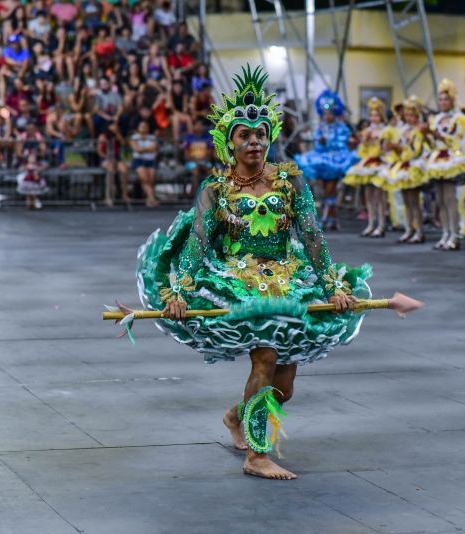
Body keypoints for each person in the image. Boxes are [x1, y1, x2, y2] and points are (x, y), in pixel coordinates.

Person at [134, 64, 420, 480]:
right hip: (239, 282)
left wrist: (333, 285)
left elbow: (313, 236)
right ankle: (256, 455)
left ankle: (236, 416)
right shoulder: (215, 189)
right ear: (228, 141)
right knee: (264, 358)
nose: (255, 142)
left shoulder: (291, 182)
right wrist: (179, 290)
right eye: (245, 135)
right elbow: (197, 243)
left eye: (261, 134)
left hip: (289, 280)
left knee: (283, 388)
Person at [421, 79, 465, 251]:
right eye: (440, 100)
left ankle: (455, 234)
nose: (442, 103)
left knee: (449, 198)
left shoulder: (460, 118)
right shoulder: (437, 119)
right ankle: (445, 233)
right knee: (439, 199)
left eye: (446, 100)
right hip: (437, 158)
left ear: (452, 101)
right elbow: (432, 143)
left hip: (451, 159)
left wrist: (437, 136)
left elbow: (458, 141)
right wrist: (426, 136)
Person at [295, 90, 357, 231]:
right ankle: (332, 219)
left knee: (331, 188)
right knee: (326, 191)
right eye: (324, 113)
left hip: (337, 160)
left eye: (329, 113)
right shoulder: (320, 128)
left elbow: (342, 145)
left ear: (335, 113)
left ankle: (326, 218)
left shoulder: (342, 128)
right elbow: (318, 146)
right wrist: (321, 143)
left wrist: (328, 142)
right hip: (322, 159)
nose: (327, 116)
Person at [384, 95, 430, 243]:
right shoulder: (404, 130)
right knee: (406, 200)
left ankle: (419, 230)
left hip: (414, 166)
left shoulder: (419, 130)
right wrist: (394, 148)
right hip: (404, 165)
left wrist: (399, 148)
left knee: (414, 201)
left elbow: (415, 151)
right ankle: (408, 229)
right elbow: (400, 148)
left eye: (412, 115)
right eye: (407, 115)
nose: (409, 118)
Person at [343, 97, 388, 237]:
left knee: (380, 196)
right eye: (372, 115)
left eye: (376, 115)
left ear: (381, 116)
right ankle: (371, 223)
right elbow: (361, 150)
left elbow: (386, 149)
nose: (374, 118)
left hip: (380, 162)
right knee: (368, 195)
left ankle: (381, 224)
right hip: (368, 162)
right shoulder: (367, 131)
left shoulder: (386, 130)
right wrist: (365, 141)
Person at [131, 120, 159, 207]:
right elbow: (137, 149)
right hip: (138, 160)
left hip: (150, 160)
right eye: (142, 126)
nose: (143, 128)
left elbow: (154, 148)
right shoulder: (134, 137)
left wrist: (143, 150)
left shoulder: (152, 137)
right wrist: (148, 149)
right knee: (144, 178)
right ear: (138, 128)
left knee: (151, 179)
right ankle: (152, 198)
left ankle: (149, 200)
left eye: (145, 126)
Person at [182, 118, 213, 197]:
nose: (199, 127)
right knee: (195, 172)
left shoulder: (208, 137)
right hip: (191, 162)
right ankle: (196, 193)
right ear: (193, 127)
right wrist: (195, 160)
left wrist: (205, 161)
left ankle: (210, 194)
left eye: (201, 125)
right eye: (197, 125)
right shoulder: (189, 138)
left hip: (205, 161)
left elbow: (209, 152)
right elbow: (186, 154)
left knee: (212, 172)